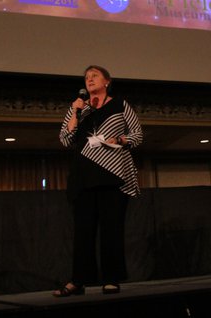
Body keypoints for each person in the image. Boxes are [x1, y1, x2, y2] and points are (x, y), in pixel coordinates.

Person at [53, 65, 144, 297]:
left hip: (112, 176)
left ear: (107, 81)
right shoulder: (78, 108)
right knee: (83, 232)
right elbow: (65, 139)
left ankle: (111, 278)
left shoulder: (120, 104)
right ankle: (78, 281)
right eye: (86, 77)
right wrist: (75, 112)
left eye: (94, 76)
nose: (89, 80)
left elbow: (137, 135)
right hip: (83, 177)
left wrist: (120, 139)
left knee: (111, 229)